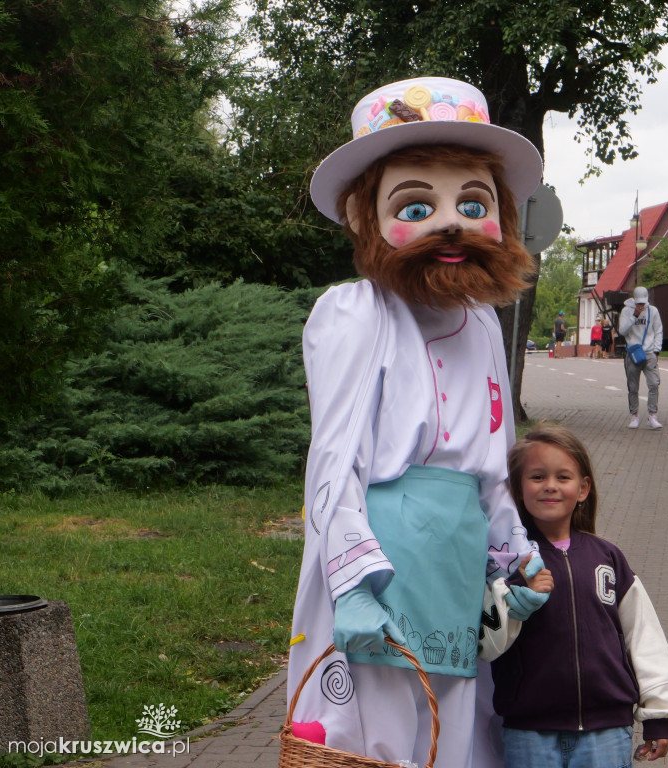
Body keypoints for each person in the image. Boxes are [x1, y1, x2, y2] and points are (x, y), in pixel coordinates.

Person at [287, 75, 551, 768]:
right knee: (375, 739)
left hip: (458, 564)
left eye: (472, 202)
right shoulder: (354, 313)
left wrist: (517, 553)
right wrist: (352, 585)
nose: (450, 223)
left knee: (455, 727)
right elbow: (333, 461)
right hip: (381, 562)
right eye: (415, 203)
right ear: (362, 214)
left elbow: (494, 467)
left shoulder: (483, 323)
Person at [491, 423, 668, 766]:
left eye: (563, 477)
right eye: (537, 477)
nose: (551, 486)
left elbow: (643, 637)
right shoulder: (509, 560)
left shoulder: (608, 559)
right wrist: (518, 591)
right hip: (530, 731)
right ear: (517, 488)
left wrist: (660, 713)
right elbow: (488, 638)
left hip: (606, 731)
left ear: (583, 488)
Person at [618, 286, 664, 430]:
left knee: (654, 384)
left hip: (649, 353)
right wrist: (634, 316)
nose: (641, 306)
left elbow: (658, 331)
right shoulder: (626, 311)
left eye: (643, 303)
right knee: (633, 386)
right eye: (639, 303)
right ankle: (634, 415)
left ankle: (652, 415)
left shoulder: (653, 311)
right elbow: (622, 330)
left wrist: (656, 350)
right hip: (633, 352)